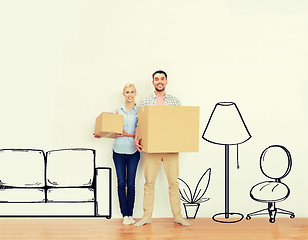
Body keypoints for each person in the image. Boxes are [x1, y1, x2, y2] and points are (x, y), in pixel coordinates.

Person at [134, 70, 190, 227]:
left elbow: (180, 123)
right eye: (156, 79)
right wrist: (136, 139)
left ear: (166, 81)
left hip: (171, 147)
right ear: (153, 82)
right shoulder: (145, 101)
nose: (159, 81)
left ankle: (177, 216)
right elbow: (140, 123)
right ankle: (146, 216)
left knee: (174, 182)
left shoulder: (175, 101)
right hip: (152, 147)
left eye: (162, 79)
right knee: (149, 182)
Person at [94, 83, 140, 225]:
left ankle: (130, 214)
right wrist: (102, 134)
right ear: (123, 94)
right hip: (118, 150)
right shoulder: (118, 110)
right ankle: (124, 215)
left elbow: (141, 131)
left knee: (131, 184)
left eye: (132, 92)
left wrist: (129, 134)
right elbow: (114, 131)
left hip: (133, 151)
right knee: (121, 182)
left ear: (135, 93)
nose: (130, 94)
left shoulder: (140, 111)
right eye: (127, 92)